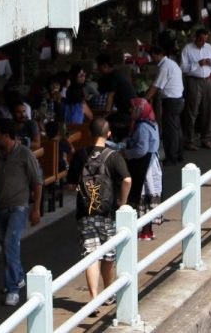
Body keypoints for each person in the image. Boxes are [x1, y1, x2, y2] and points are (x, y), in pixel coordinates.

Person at [66, 118, 131, 306]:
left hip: (85, 213)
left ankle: (94, 298)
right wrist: (122, 202)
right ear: (108, 134)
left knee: (91, 254)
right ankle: (108, 293)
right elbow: (127, 180)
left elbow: (71, 185)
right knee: (108, 255)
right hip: (107, 213)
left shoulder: (80, 155)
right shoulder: (114, 156)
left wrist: (82, 188)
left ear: (89, 133)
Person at [0, 118, 42, 306]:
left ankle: (12, 288)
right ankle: (18, 277)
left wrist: (35, 208)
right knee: (6, 246)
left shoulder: (25, 154)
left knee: (11, 243)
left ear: (6, 135)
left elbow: (37, 182)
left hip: (19, 206)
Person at [122, 98, 162, 240]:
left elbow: (141, 150)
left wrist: (126, 153)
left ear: (139, 110)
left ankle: (144, 231)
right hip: (152, 164)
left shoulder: (142, 127)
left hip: (145, 166)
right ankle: (147, 230)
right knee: (150, 195)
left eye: (133, 108)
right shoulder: (151, 123)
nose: (130, 111)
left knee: (142, 194)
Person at [143, 42, 184, 165]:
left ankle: (172, 157)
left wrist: (144, 99)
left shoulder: (165, 66)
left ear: (160, 55)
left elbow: (156, 86)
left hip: (171, 101)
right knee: (176, 128)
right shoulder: (171, 64)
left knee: (169, 131)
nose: (153, 58)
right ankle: (178, 154)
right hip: (178, 99)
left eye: (153, 56)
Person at [179, 28, 211, 150]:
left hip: (207, 80)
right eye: (201, 40)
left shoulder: (209, 48)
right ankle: (188, 140)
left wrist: (210, 63)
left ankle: (206, 138)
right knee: (192, 110)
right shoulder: (187, 49)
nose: (203, 43)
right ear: (196, 38)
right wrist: (197, 64)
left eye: (205, 40)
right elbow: (183, 68)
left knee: (208, 109)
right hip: (194, 80)